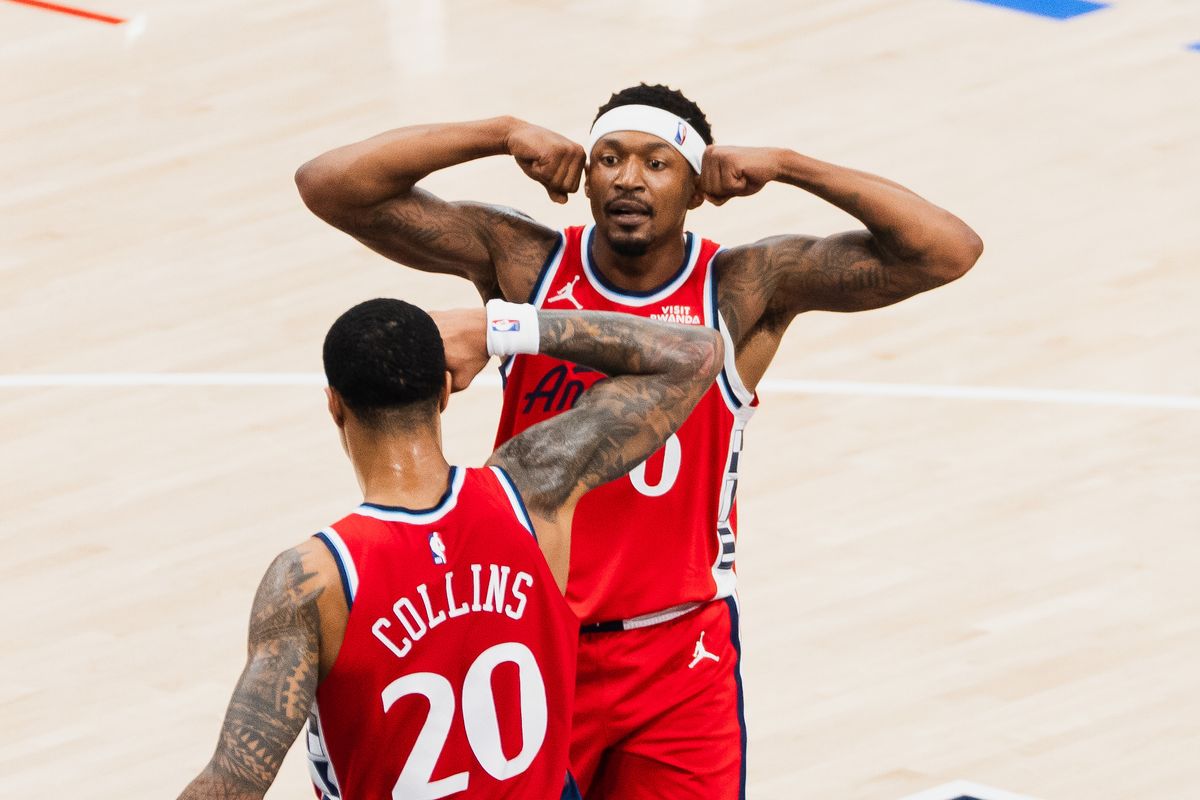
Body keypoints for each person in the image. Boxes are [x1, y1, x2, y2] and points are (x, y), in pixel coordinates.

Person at [295, 82, 984, 799]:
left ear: (695, 187)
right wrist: (497, 132)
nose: (629, 177)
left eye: (657, 163)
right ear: (584, 175)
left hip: (678, 654)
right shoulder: (529, 264)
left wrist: (787, 163)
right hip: (535, 640)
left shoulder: (742, 286)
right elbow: (330, 187)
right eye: (611, 158)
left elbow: (947, 250)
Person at [176, 297, 722, 800]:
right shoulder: (534, 492)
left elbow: (233, 779)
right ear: (443, 391)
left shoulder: (313, 580)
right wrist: (499, 329)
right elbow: (696, 353)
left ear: (334, 406)